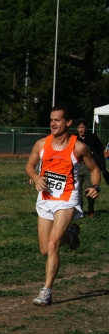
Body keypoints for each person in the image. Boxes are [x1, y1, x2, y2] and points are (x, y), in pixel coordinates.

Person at [25, 105, 100, 306]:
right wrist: (36, 177)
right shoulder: (41, 144)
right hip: (46, 199)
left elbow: (94, 169)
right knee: (44, 249)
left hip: (67, 199)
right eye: (51, 120)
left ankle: (46, 291)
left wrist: (95, 186)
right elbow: (29, 166)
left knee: (52, 244)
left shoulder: (79, 147)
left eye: (57, 120)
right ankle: (71, 235)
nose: (52, 123)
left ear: (68, 123)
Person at [74, 118, 106, 217]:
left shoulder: (93, 138)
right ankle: (79, 211)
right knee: (77, 190)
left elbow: (100, 150)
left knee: (90, 189)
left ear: (86, 128)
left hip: (89, 167)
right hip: (78, 167)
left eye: (82, 127)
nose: (80, 130)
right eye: (79, 128)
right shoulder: (74, 139)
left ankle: (91, 209)